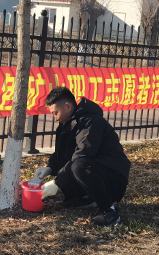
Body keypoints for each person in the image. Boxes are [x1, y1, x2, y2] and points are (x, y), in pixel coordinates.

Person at [32, 87, 131, 227]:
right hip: (97, 172)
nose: (55, 118)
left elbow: (84, 154)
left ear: (67, 106)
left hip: (113, 177)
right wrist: (50, 168)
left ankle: (109, 210)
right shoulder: (66, 125)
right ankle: (86, 198)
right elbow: (63, 154)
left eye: (56, 113)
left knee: (79, 166)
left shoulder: (90, 121)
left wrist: (57, 182)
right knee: (75, 166)